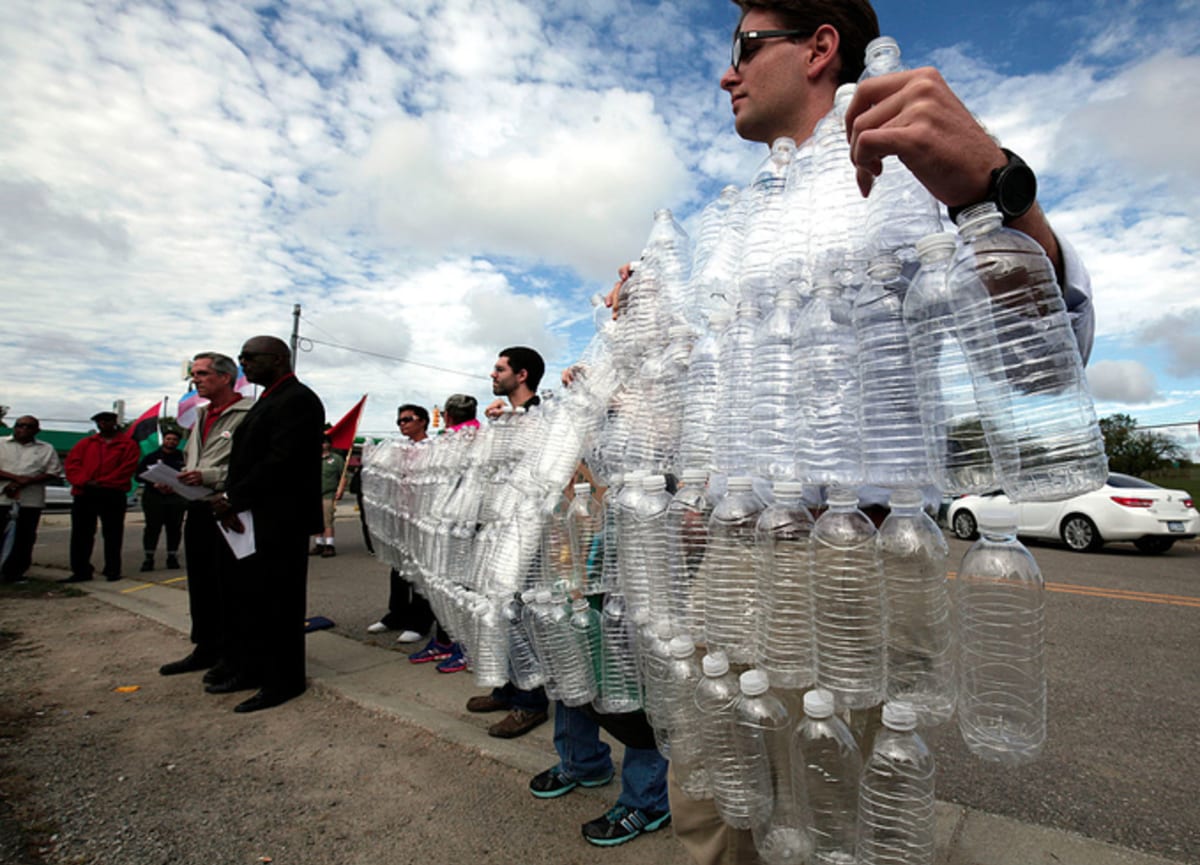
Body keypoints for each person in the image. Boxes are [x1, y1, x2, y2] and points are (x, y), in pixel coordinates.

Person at [620, 3, 1094, 863]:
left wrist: (996, 187)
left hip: (853, 560)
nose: (727, 73)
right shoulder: (742, 220)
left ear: (819, 48)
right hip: (728, 556)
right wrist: (651, 336)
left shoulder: (908, 168)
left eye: (745, 48)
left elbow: (1043, 361)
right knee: (710, 811)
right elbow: (717, 394)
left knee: (835, 824)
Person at [210, 336, 324, 713]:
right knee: (251, 600)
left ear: (276, 359)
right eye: (241, 357)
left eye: (249, 358)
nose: (243, 365)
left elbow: (281, 462)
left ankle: (283, 681)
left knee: (279, 604)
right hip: (255, 517)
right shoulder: (269, 398)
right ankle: (250, 668)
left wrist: (233, 498)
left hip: (281, 520)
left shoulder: (298, 400)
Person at [466, 346, 553, 738]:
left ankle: (530, 703)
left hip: (529, 528)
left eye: (499, 369)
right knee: (498, 609)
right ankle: (506, 687)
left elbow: (543, 461)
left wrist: (515, 420)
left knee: (520, 614)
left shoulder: (543, 413)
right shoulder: (505, 419)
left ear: (521, 375)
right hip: (501, 524)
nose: (492, 374)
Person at [159, 351, 253, 680]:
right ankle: (206, 646)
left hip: (229, 507)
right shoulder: (199, 415)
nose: (194, 380)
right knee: (199, 581)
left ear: (225, 377)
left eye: (201, 374)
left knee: (230, 585)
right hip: (197, 506)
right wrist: (180, 480)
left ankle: (234, 653)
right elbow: (192, 458)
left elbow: (252, 464)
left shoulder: (250, 413)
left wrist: (208, 476)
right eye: (193, 374)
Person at [365, 404, 455, 653]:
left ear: (423, 421)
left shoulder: (434, 448)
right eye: (399, 421)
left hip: (423, 518)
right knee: (398, 568)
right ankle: (396, 614)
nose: (403, 424)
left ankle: (420, 621)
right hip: (400, 516)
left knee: (420, 571)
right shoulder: (398, 450)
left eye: (408, 419)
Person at [63, 410, 140, 583]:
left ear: (115, 422)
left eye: (107, 420)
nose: (103, 424)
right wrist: (84, 481)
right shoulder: (86, 444)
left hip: (112, 493)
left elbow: (126, 468)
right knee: (81, 534)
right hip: (85, 493)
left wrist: (104, 482)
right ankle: (81, 570)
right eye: (100, 421)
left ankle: (112, 570)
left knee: (113, 533)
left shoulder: (127, 445)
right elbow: (72, 465)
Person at [0, 416, 64, 583]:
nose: (24, 429)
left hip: (30, 500)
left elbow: (53, 471)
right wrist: (15, 479)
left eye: (29, 427)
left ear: (37, 430)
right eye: (20, 425)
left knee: (24, 537)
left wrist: (27, 481)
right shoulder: (1, 443)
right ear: (14, 427)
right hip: (2, 497)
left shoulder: (46, 448)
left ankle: (15, 573)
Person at [136, 430, 187, 572]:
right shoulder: (151, 457)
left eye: (174, 439)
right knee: (152, 528)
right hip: (154, 497)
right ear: (163, 440)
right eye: (168, 439)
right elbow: (139, 476)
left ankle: (172, 556)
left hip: (176, 496)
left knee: (174, 528)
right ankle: (149, 558)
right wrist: (154, 483)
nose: (171, 442)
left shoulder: (183, 457)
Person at [311, 435, 345, 558]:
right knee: (316, 521)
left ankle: (329, 546)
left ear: (329, 444)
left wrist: (340, 490)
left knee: (327, 521)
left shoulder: (336, 459)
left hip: (328, 494)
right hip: (314, 495)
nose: (322, 445)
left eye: (324, 442)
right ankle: (319, 544)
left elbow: (343, 475)